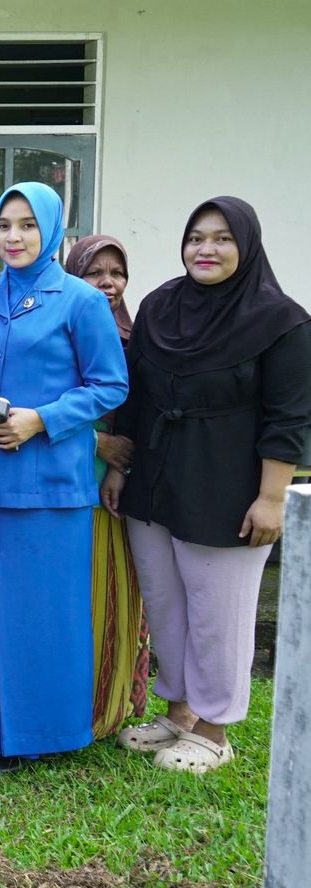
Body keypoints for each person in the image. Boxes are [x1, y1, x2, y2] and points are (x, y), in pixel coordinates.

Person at [105, 197, 311, 774]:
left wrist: (271, 498)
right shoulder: (161, 306)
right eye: (196, 237)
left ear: (246, 246)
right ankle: (180, 714)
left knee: (219, 613)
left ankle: (215, 730)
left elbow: (289, 419)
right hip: (155, 479)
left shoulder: (282, 322)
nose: (206, 249)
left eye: (222, 238)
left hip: (228, 486)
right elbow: (136, 395)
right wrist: (120, 466)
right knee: (165, 604)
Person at [0, 183, 128, 768]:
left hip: (52, 485)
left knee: (44, 616)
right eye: (4, 225)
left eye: (28, 225)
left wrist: (42, 419)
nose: (14, 236)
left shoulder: (80, 301)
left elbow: (110, 384)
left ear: (52, 229)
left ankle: (42, 734)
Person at [62, 233, 150, 740]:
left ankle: (108, 706)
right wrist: (96, 442)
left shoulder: (136, 340)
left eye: (117, 273)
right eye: (95, 272)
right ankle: (73, 704)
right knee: (75, 599)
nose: (108, 283)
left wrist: (119, 466)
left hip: (111, 492)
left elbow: (137, 414)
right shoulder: (60, 330)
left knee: (113, 596)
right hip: (65, 480)